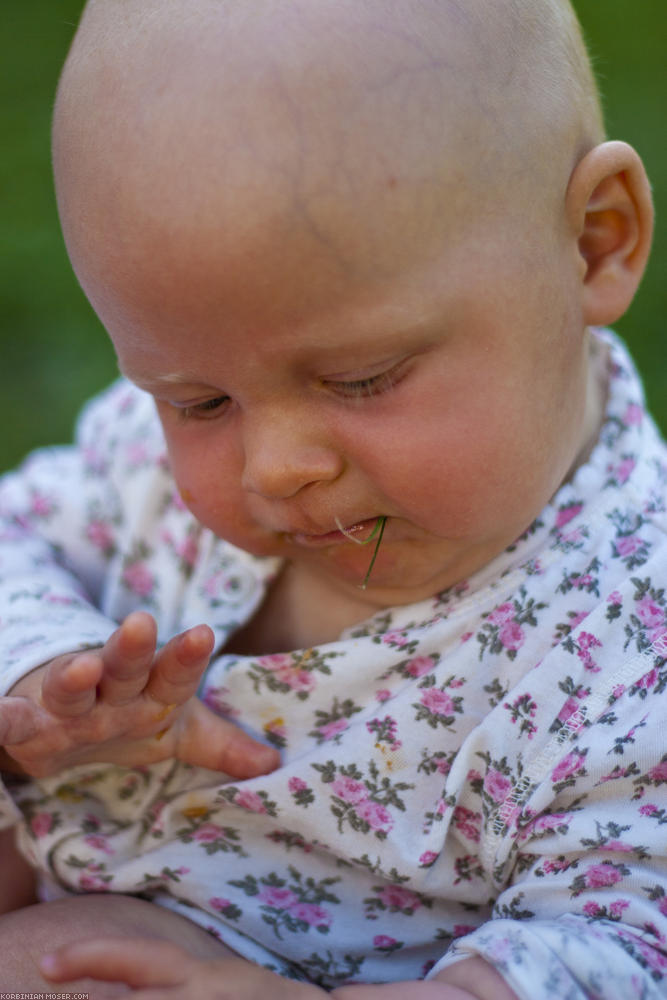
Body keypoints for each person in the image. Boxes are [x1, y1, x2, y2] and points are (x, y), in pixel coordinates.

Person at [0, 0, 665, 995]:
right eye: (198, 400)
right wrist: (40, 665)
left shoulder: (624, 643)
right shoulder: (143, 458)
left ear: (592, 243)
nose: (274, 466)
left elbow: (621, 947)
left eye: (359, 378)